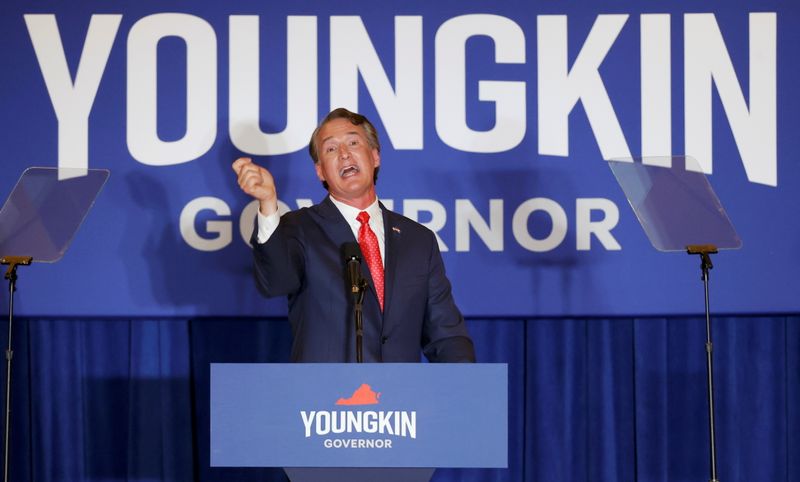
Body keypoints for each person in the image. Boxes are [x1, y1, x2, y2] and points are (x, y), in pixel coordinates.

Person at [232, 108, 474, 363]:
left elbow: (445, 333)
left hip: (401, 397)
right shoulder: (299, 228)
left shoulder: (418, 240)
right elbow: (276, 282)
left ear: (375, 156)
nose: (344, 154)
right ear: (320, 172)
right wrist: (268, 202)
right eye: (331, 149)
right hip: (323, 398)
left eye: (353, 142)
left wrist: (465, 389)